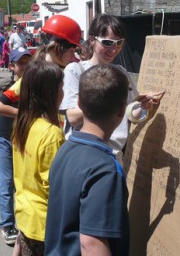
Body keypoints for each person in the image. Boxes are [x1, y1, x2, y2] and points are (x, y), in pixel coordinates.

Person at [45, 64, 130, 256]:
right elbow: (91, 244)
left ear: (80, 104)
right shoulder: (106, 170)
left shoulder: (65, 148)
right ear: (122, 110)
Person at [60, 13, 162, 159]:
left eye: (119, 43)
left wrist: (143, 106)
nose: (114, 49)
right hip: (85, 155)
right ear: (92, 40)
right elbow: (73, 118)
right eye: (107, 43)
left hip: (114, 155)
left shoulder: (121, 72)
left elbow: (129, 114)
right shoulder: (75, 70)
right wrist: (110, 103)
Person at [12, 60, 65, 255]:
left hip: (26, 215)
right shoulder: (52, 134)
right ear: (50, 92)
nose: (64, 93)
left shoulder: (23, 122)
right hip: (45, 224)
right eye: (61, 87)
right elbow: (54, 186)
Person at [0, 48, 32, 245]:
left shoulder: (33, 83)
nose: (24, 66)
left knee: (23, 181)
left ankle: (25, 220)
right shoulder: (4, 84)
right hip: (4, 138)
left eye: (27, 61)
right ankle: (7, 224)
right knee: (6, 182)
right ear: (11, 65)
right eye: (20, 62)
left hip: (25, 138)